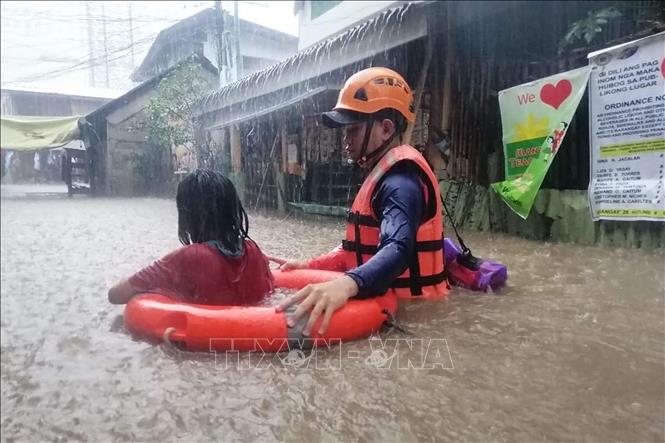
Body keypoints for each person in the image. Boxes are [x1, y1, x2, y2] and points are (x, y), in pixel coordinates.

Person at [276, 67, 447, 336]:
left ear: (386, 129)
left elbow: (398, 247)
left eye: (353, 131)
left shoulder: (400, 183)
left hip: (414, 318)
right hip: (394, 306)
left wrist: (345, 285)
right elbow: (357, 249)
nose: (346, 141)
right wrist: (310, 265)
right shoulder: (383, 174)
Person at [108, 169, 274, 305]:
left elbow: (115, 295)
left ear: (187, 217)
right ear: (233, 210)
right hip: (256, 337)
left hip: (205, 343)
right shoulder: (254, 251)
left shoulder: (190, 257)